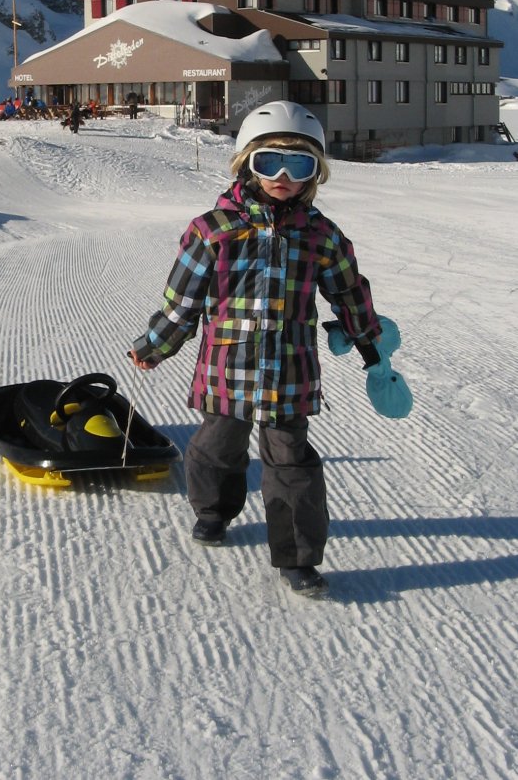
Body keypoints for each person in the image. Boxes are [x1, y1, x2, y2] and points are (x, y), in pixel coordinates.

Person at [130, 100, 410, 596]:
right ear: (246, 165)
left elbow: (349, 294)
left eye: (298, 164)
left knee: (291, 462)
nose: (283, 175)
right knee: (218, 446)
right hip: (226, 366)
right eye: (269, 162)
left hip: (290, 369)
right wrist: (156, 344)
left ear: (315, 173)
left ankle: (298, 556)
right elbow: (183, 300)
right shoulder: (212, 229)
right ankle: (213, 512)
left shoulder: (321, 236)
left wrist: (369, 343)